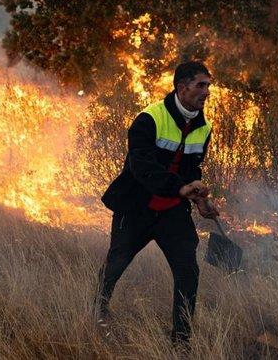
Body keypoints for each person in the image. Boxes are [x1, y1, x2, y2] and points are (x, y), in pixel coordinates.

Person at [95, 60, 219, 344]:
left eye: (209, 86)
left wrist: (200, 200)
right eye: (201, 85)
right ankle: (97, 311)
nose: (206, 92)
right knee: (115, 264)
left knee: (188, 271)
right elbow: (142, 168)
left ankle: (181, 339)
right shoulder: (148, 119)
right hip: (137, 206)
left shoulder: (204, 127)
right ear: (181, 87)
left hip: (172, 212)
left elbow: (192, 170)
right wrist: (183, 187)